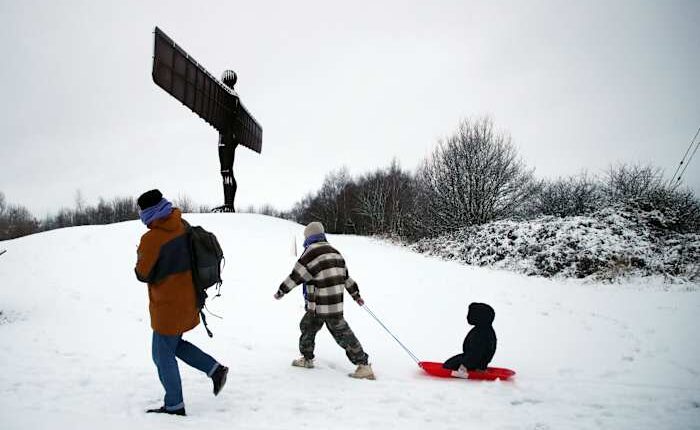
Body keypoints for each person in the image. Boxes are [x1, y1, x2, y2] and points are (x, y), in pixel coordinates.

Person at [134, 189, 228, 416]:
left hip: (168, 307)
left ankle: (175, 405)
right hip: (190, 300)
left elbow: (142, 273)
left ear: (148, 212)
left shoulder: (151, 239)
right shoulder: (182, 224)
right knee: (173, 346)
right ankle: (215, 370)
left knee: (161, 354)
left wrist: (140, 256)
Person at [273, 221, 375, 380]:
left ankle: (364, 366)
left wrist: (281, 291)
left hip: (321, 304)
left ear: (308, 237)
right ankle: (307, 359)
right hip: (330, 304)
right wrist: (356, 296)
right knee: (307, 326)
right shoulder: (335, 252)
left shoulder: (310, 253)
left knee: (343, 334)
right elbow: (346, 278)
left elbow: (296, 276)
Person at [442, 302, 497, 373]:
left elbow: (476, 353)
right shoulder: (483, 329)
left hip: (475, 363)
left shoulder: (481, 333)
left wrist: (465, 366)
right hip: (473, 359)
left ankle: (474, 371)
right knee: (449, 363)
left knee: (448, 366)